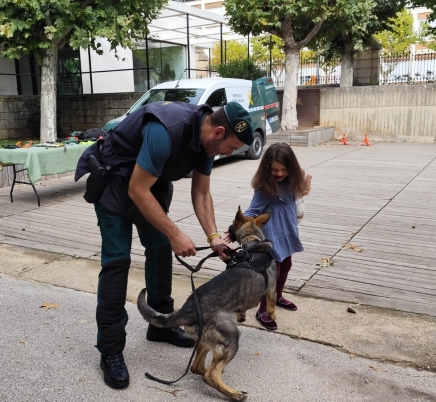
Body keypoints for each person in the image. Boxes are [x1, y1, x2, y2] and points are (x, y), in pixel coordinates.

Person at [74, 101, 255, 390]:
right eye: (230, 148)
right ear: (219, 131)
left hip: (150, 185)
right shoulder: (166, 130)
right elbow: (136, 189)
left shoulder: (207, 143)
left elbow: (202, 193)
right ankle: (110, 351)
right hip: (115, 184)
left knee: (159, 251)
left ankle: (160, 324)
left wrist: (214, 238)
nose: (229, 153)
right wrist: (175, 234)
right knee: (117, 262)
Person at [232, 142, 311, 331]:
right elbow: (252, 211)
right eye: (275, 169)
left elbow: (300, 192)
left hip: (287, 231)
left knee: (286, 267)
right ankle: (263, 310)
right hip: (272, 237)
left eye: (284, 169)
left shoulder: (294, 179)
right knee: (270, 274)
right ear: (267, 167)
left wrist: (305, 187)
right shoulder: (264, 187)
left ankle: (278, 296)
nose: (279, 173)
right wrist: (233, 229)